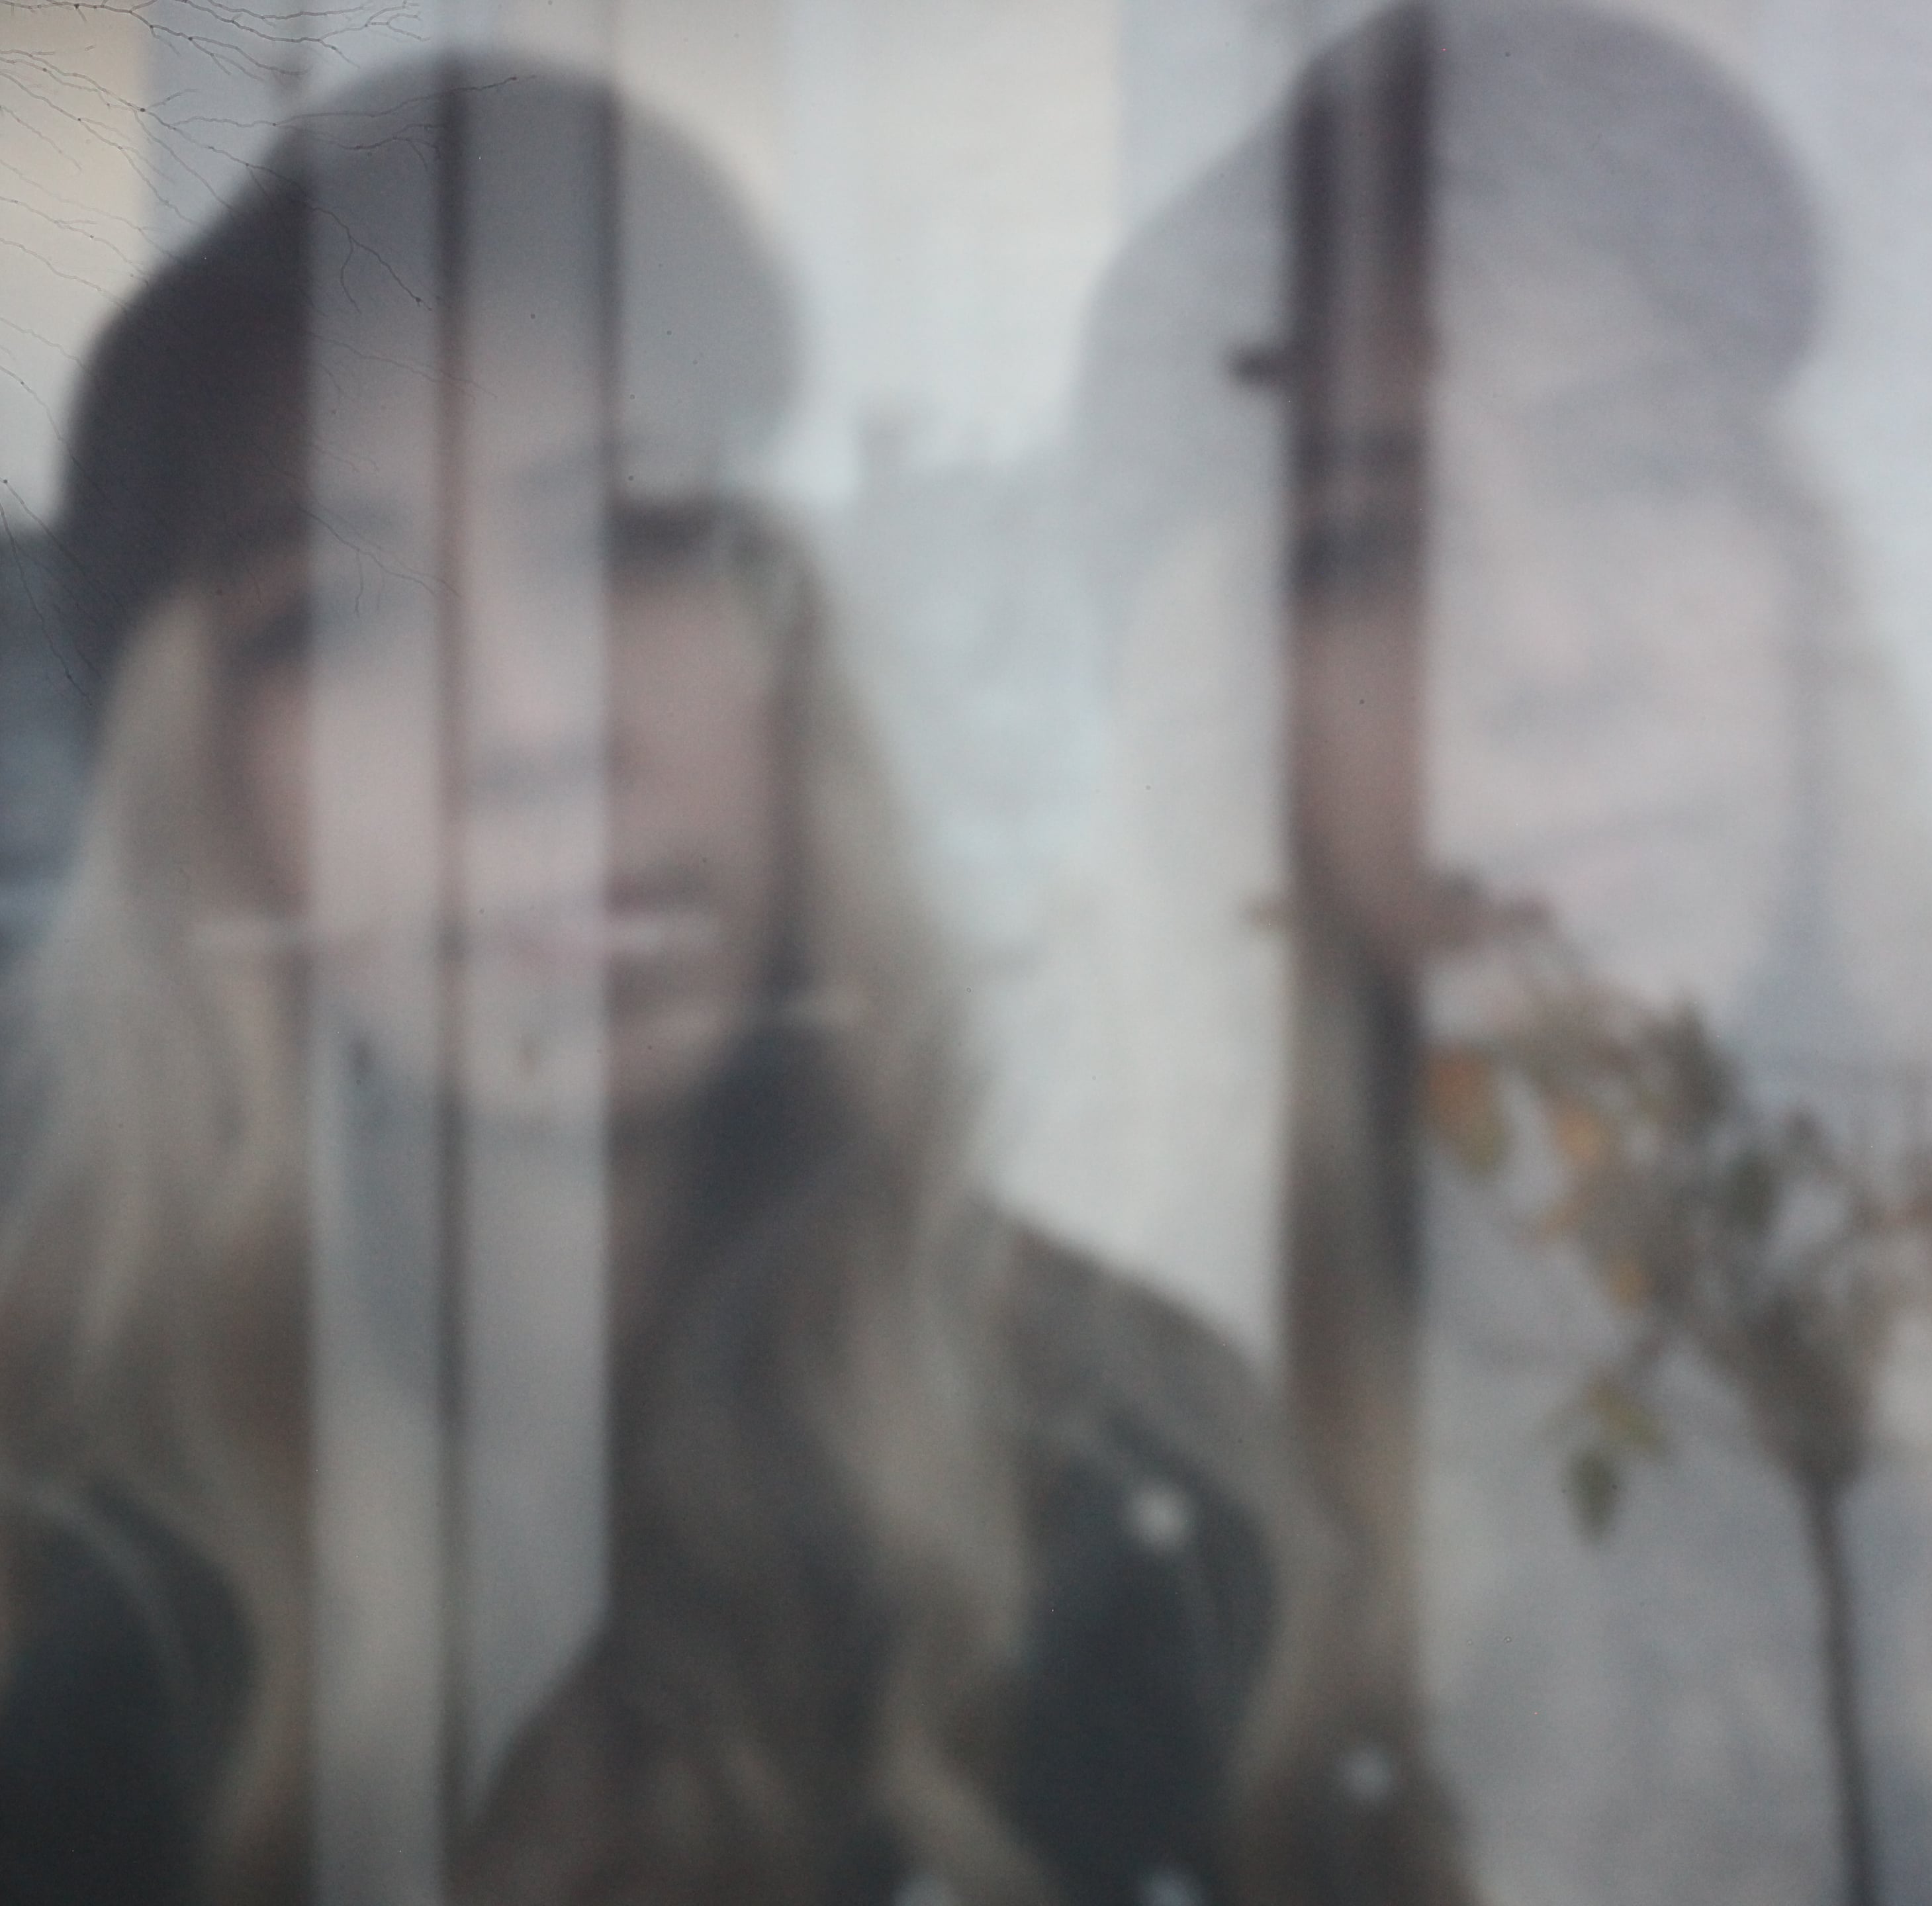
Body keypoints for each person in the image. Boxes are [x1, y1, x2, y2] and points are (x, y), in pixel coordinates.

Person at [1019, 5, 1932, 1902]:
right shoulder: (1046, 1506)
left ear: (1795, 575)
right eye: (1374, 545)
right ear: (1225, 727)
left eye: (1640, 470)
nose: (1558, 649)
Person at [0, 58, 1457, 1906]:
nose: (542, 725)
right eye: (343, 616)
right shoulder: (53, 1542)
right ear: (201, 790)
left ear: (783, 642)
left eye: (629, 541)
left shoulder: (1150, 1468)